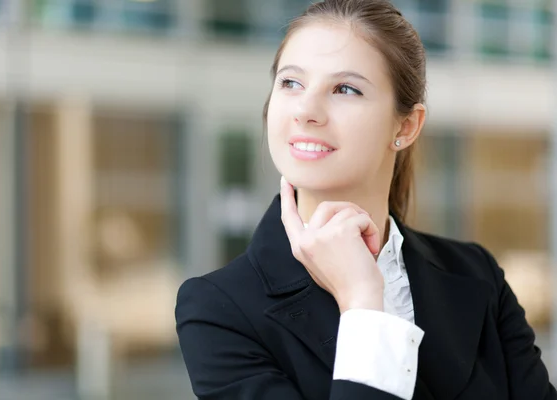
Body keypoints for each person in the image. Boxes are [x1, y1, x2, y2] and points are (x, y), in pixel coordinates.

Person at [175, 0, 557, 399]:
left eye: (345, 89)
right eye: (291, 83)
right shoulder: (219, 309)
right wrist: (361, 301)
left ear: (407, 126)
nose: (306, 110)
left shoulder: (478, 274)